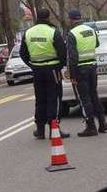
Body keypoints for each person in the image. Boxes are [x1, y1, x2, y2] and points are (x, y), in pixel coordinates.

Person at [19, 8, 70, 139]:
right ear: (48, 17)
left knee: (40, 99)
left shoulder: (28, 33)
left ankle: (40, 130)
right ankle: (54, 129)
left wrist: (32, 65)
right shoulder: (53, 32)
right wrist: (59, 67)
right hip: (53, 70)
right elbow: (62, 53)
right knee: (54, 98)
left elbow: (22, 53)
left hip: (37, 71)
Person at [67, 9, 107, 137]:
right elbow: (96, 44)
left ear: (71, 19)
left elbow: (73, 56)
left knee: (84, 98)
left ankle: (91, 126)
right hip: (92, 66)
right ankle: (102, 123)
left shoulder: (72, 33)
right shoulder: (90, 29)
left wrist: (72, 74)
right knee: (94, 95)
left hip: (80, 69)